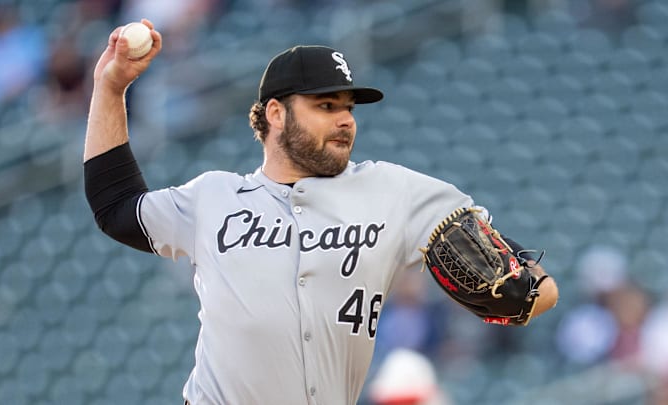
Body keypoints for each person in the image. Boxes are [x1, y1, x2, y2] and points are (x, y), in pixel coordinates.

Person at [83, 19, 559, 405]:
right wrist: (111, 88)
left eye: (349, 106)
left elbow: (534, 289)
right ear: (275, 114)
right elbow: (116, 206)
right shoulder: (212, 199)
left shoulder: (396, 191)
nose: (345, 119)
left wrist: (522, 291)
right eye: (326, 105)